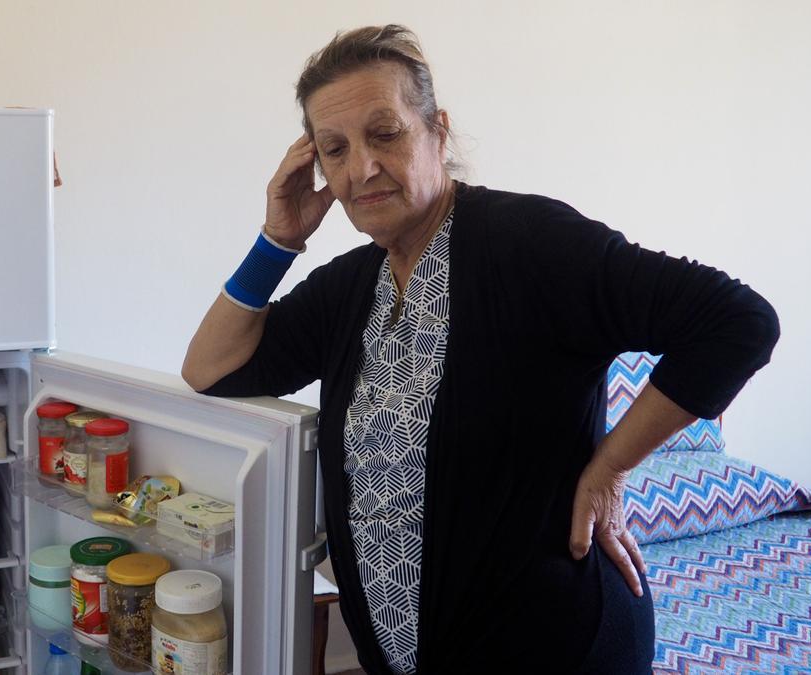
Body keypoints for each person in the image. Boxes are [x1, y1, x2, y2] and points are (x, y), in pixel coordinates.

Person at [181, 25, 779, 674]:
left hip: (556, 647)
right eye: (335, 149)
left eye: (385, 133)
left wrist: (611, 465)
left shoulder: (531, 246)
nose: (362, 168)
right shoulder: (351, 289)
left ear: (437, 131)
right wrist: (278, 238)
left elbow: (736, 323)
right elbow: (211, 368)